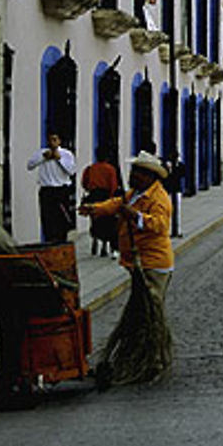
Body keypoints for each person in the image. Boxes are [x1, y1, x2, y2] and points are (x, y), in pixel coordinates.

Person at [79, 151, 174, 372]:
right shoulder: (135, 193)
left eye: (137, 172)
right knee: (140, 309)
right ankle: (137, 353)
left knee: (151, 312)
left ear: (149, 176)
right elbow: (116, 203)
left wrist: (136, 217)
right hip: (136, 262)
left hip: (153, 264)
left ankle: (154, 357)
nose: (132, 175)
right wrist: (94, 209)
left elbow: (160, 226)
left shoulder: (158, 198)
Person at [27, 132, 77, 243]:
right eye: (50, 140)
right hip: (47, 190)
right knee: (47, 219)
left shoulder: (66, 154)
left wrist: (59, 159)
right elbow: (30, 165)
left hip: (61, 190)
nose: (52, 142)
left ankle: (62, 241)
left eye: (55, 139)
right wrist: (43, 158)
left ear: (59, 141)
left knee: (61, 219)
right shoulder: (41, 153)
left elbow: (72, 171)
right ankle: (49, 240)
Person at [82, 146, 121, 258]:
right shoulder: (110, 169)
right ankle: (105, 245)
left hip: (94, 196)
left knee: (95, 220)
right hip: (106, 196)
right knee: (109, 222)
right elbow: (113, 186)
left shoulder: (90, 169)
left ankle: (95, 239)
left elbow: (84, 184)